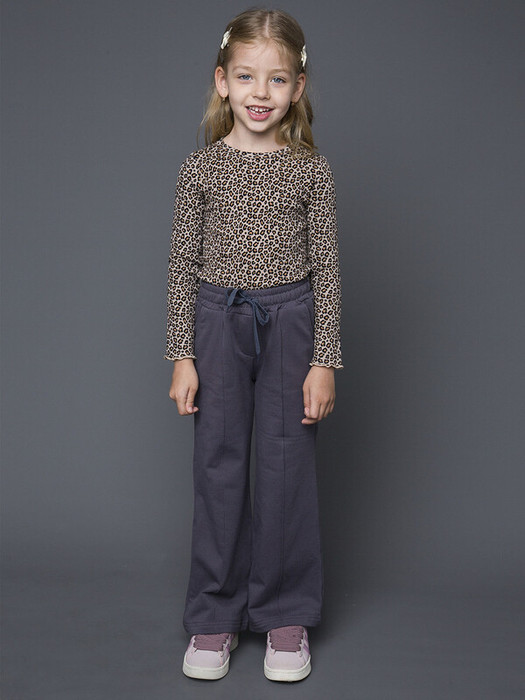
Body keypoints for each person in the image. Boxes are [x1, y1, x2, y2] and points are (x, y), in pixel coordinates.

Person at [164, 7, 343, 683]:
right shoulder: (200, 169)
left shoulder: (310, 171)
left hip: (292, 321)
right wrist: (182, 354)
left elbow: (326, 269)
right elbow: (181, 266)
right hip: (218, 321)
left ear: (297, 88)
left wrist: (324, 360)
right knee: (218, 463)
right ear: (222, 81)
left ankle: (284, 613)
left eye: (275, 79)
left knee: (286, 465)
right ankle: (214, 613)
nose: (259, 92)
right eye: (245, 76)